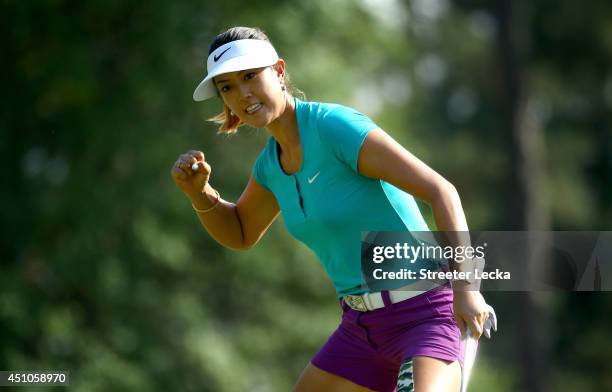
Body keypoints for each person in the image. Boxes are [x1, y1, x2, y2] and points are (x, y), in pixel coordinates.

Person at [171, 26, 491, 392]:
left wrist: (468, 289)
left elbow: (441, 192)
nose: (242, 93)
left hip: (425, 314)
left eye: (249, 76)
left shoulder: (333, 127)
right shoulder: (269, 167)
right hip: (359, 330)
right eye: (227, 86)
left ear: (278, 70)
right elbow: (242, 232)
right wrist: (200, 193)